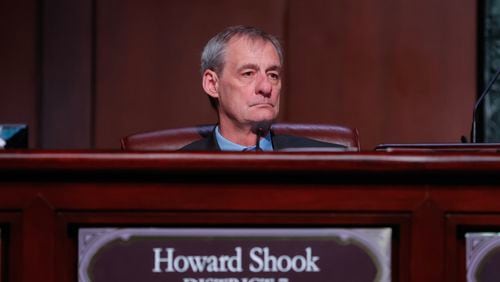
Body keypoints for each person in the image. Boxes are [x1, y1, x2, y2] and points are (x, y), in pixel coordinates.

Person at [181, 25, 346, 151]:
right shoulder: (177, 171)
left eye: (273, 75)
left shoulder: (329, 161)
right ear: (212, 84)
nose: (266, 87)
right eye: (248, 73)